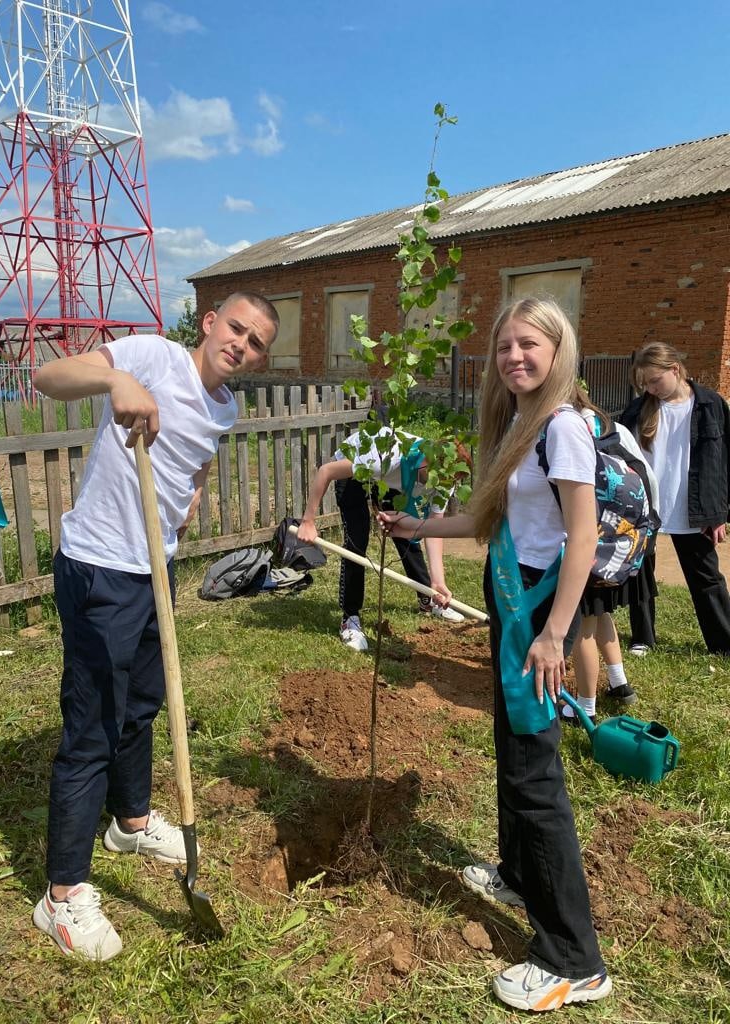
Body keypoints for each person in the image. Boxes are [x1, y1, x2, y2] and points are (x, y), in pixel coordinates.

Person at [379, 297, 612, 1012]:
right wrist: (417, 523)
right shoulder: (522, 419)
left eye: (529, 344)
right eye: (505, 346)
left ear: (558, 348)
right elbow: (492, 519)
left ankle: (575, 958)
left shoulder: (565, 426)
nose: (514, 357)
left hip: (541, 607)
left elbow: (584, 538)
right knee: (513, 745)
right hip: (518, 594)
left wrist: (552, 635)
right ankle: (518, 870)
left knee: (534, 769)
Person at [31, 292, 279, 961]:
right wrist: (116, 379)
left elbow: (197, 455)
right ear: (209, 323)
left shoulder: (226, 406)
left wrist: (192, 492)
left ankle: (131, 822)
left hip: (154, 567)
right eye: (236, 329)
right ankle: (61, 895)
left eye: (256, 342)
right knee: (92, 726)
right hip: (100, 568)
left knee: (141, 705)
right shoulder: (151, 356)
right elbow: (46, 378)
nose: (241, 345)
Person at [296, 425, 467, 651]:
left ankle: (428, 598)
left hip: (393, 478)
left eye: (451, 481)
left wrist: (438, 582)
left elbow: (432, 529)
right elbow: (325, 471)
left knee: (407, 532)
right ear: (429, 461)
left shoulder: (443, 480)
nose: (443, 485)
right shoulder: (387, 459)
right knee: (357, 541)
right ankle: (350, 618)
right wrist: (308, 521)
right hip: (361, 466)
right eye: (443, 478)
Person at [620, 342, 730, 656]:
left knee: (707, 577)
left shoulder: (711, 404)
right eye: (645, 384)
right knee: (641, 573)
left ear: (675, 369)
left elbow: (723, 461)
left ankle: (723, 643)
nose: (651, 389)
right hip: (647, 507)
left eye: (655, 381)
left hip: (694, 508)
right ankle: (642, 638)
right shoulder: (638, 410)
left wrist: (719, 511)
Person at [562, 389, 659, 725]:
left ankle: (584, 706)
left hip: (594, 549)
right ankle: (619, 683)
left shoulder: (572, 436)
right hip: (625, 544)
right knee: (602, 615)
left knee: (583, 629)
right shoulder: (612, 430)